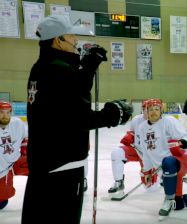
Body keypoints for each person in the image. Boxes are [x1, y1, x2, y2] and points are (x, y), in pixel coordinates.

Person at [22, 15, 132, 224]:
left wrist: (88, 65)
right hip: (64, 165)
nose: (75, 40)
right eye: (71, 35)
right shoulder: (59, 70)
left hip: (45, 161)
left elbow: (72, 91)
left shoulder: (43, 66)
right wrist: (113, 114)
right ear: (57, 40)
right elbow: (78, 118)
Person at [135, 99, 187, 220]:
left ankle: (168, 200)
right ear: (146, 112)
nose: (153, 112)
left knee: (168, 161)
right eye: (150, 109)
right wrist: (147, 171)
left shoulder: (168, 122)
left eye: (156, 109)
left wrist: (181, 143)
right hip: (163, 169)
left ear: (161, 111)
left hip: (180, 161)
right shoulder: (142, 128)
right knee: (178, 204)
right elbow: (146, 153)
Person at [108, 100, 159, 197]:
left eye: (154, 109)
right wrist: (130, 136)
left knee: (150, 188)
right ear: (142, 110)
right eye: (147, 109)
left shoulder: (161, 123)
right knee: (117, 153)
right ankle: (119, 182)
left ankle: (161, 178)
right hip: (137, 151)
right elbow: (133, 133)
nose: (150, 112)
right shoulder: (136, 120)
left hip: (152, 156)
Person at [0, 101, 28, 210]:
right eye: (1, 112)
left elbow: (25, 138)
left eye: (8, 112)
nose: (5, 116)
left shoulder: (17, 123)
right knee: (2, 202)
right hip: (2, 167)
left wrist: (25, 152)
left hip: (14, 163)